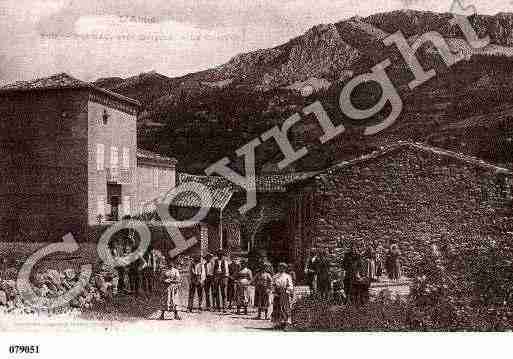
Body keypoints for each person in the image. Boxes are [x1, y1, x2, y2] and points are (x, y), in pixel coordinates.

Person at [271, 263, 294, 329]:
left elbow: (290, 285)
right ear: (278, 268)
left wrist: (287, 291)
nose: (281, 268)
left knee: (285, 308)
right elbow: (272, 285)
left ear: (285, 268)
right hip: (277, 293)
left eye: (283, 267)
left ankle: (285, 322)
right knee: (277, 308)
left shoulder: (287, 276)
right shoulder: (275, 276)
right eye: (280, 267)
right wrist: (274, 291)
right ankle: (277, 323)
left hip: (284, 294)